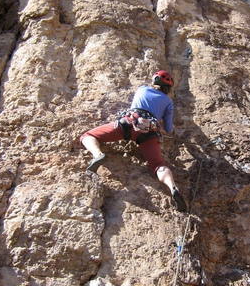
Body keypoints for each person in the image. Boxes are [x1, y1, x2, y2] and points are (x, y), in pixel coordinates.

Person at [79, 70, 187, 212]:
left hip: (128, 123)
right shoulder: (168, 102)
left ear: (154, 80)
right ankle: (173, 187)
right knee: (158, 165)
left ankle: (98, 154)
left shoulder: (142, 89)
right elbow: (168, 128)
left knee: (87, 136)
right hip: (150, 133)